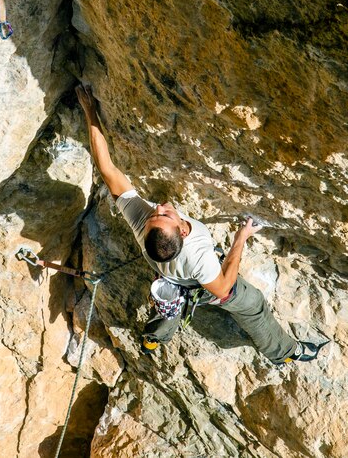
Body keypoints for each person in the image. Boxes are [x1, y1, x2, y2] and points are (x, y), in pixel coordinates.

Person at [76, 83, 327, 364]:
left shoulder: (142, 222)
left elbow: (107, 169)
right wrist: (240, 239)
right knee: (253, 305)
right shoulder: (199, 257)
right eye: (165, 214)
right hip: (200, 281)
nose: (158, 207)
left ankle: (152, 339)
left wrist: (91, 113)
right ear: (183, 230)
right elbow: (223, 288)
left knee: (171, 301)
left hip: (170, 276)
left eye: (157, 214)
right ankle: (286, 353)